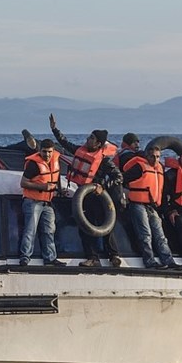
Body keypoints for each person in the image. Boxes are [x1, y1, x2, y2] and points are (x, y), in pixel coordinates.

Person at [49, 114, 123, 267]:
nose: (88, 139)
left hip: (99, 197)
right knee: (84, 227)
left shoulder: (104, 160)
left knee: (105, 226)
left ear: (98, 143)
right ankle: (92, 257)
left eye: (91, 138)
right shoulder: (80, 150)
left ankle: (114, 255)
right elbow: (64, 142)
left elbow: (118, 177)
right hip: (83, 197)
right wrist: (55, 129)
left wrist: (103, 186)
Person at [122, 144, 182, 270]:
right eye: (152, 156)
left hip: (152, 206)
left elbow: (161, 189)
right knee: (145, 234)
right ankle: (149, 261)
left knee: (160, 234)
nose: (155, 159)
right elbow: (124, 179)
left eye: (158, 157)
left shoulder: (160, 169)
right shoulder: (139, 167)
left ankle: (168, 260)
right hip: (138, 204)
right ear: (147, 156)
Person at [19, 139, 65, 267]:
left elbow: (56, 176)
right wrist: (43, 187)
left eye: (50, 152)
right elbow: (23, 183)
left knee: (49, 231)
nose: (47, 155)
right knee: (30, 230)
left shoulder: (55, 161)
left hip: (47, 202)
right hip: (32, 201)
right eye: (44, 152)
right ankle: (25, 257)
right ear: (40, 151)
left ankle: (50, 258)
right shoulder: (33, 164)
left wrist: (59, 189)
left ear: (53, 151)